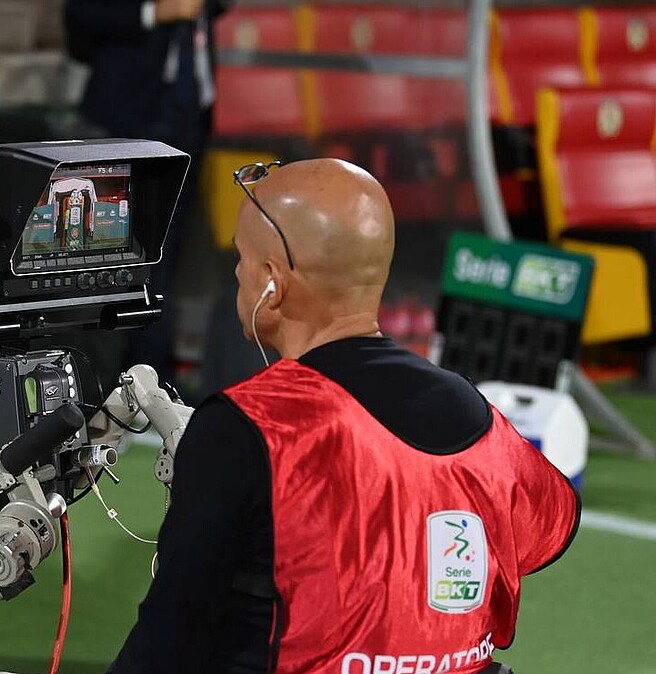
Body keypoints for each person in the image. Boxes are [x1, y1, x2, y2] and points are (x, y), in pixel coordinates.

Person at [101, 158, 581, 673]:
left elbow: (167, 642)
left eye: (243, 258)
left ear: (272, 284)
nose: (237, 272)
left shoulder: (249, 425)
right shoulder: (474, 411)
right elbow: (551, 525)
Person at [64, 0, 229, 388]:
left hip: (190, 115)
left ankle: (150, 378)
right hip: (130, 115)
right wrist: (154, 12)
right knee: (110, 254)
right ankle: (103, 381)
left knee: (164, 255)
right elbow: (80, 16)